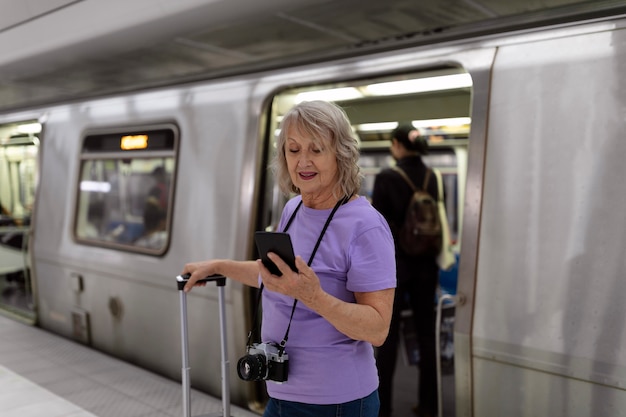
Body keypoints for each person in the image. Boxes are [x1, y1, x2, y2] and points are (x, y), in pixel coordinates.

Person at [182, 100, 396, 417]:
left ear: (341, 154)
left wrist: (313, 296)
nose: (303, 161)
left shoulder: (366, 227)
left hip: (336, 403)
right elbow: (277, 276)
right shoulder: (293, 209)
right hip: (280, 394)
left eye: (317, 149)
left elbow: (378, 329)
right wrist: (216, 267)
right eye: (293, 150)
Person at [371, 124, 440, 417]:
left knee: (386, 337)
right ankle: (428, 405)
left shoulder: (387, 177)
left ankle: (382, 409)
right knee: (427, 335)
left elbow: (378, 226)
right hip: (427, 265)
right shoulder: (432, 176)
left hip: (396, 267)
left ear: (398, 145)